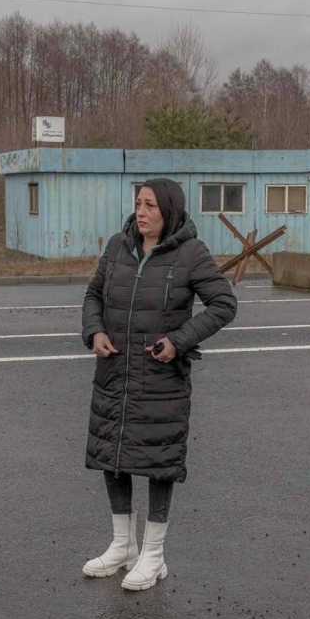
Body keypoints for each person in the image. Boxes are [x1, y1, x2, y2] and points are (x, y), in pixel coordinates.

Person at [80, 177, 238, 591]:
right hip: (114, 371)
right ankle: (122, 546)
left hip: (160, 377)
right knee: (112, 454)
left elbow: (224, 304)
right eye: (138, 203)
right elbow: (94, 294)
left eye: (150, 205)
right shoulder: (118, 247)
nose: (141, 212)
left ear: (169, 209)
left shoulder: (190, 253)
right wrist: (95, 331)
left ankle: (153, 555)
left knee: (158, 461)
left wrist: (179, 341)